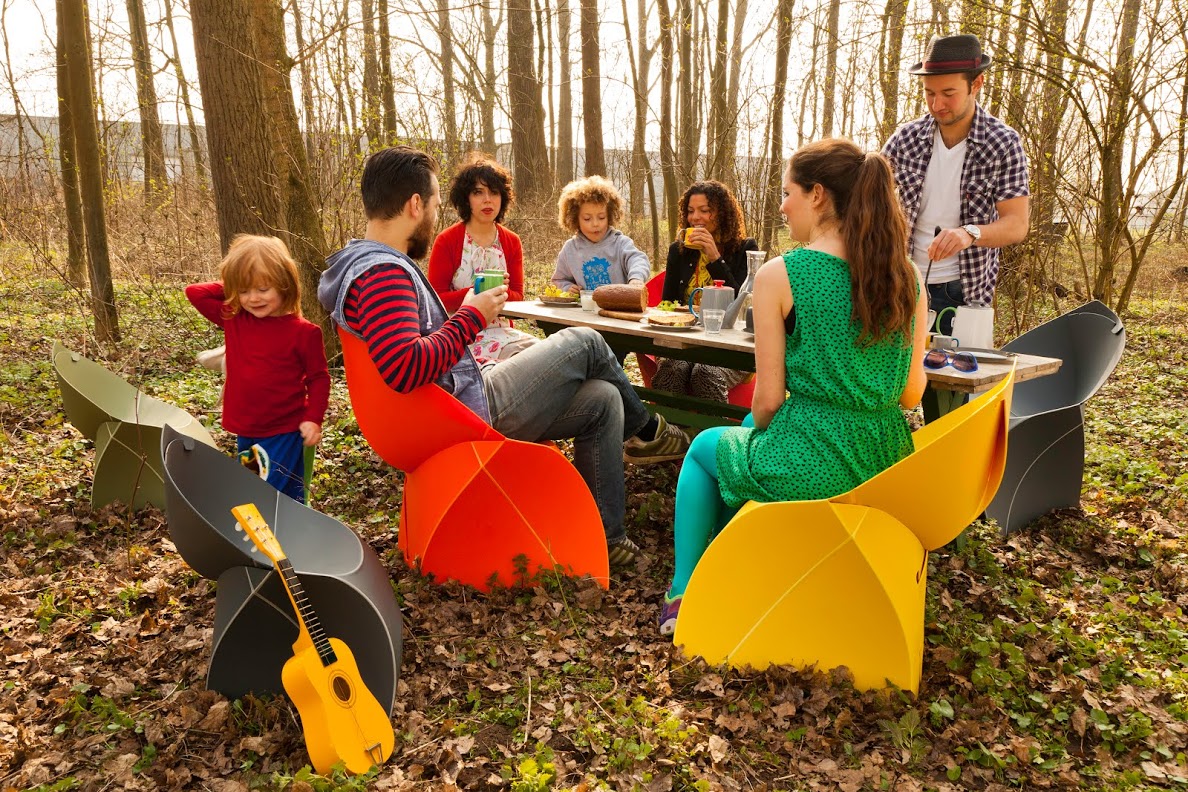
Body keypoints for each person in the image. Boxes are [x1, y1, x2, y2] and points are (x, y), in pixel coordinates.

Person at [318, 146, 691, 568]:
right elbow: (405, 368)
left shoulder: (359, 264)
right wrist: (472, 316)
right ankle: (647, 430)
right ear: (414, 204)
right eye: (437, 205)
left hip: (451, 400)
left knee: (604, 398)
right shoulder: (383, 273)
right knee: (585, 341)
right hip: (463, 410)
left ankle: (606, 536)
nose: (437, 215)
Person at [659, 140, 929, 635]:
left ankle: (683, 591)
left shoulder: (781, 274)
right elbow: (912, 395)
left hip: (812, 461)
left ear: (818, 195)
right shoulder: (906, 276)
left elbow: (767, 402)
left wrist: (760, 428)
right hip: (885, 465)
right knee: (741, 437)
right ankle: (739, 565)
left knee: (703, 448)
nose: (782, 206)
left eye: (788, 193)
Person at [881, 33, 1030, 337]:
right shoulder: (905, 138)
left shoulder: (1003, 143)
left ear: (977, 84)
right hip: (899, 285)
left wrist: (968, 234)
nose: (937, 104)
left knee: (953, 384)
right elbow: (864, 198)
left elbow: (1017, 225)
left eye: (948, 93)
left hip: (963, 293)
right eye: (929, 93)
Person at [185, 235, 330, 503]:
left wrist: (313, 417)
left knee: (266, 494)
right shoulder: (235, 317)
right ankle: (275, 533)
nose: (253, 298)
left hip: (284, 430)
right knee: (260, 487)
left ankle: (280, 533)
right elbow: (195, 292)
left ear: (284, 284)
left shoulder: (304, 333)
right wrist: (237, 280)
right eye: (244, 290)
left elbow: (319, 378)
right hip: (247, 428)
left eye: (262, 289)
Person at [652, 180, 759, 402]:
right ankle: (672, 432)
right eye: (691, 211)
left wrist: (714, 257)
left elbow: (743, 304)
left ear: (722, 214)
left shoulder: (745, 248)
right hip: (684, 338)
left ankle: (712, 433)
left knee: (705, 373)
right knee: (672, 369)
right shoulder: (678, 251)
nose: (695, 217)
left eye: (705, 210)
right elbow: (667, 304)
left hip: (728, 343)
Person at [427, 152, 536, 366]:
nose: (487, 199)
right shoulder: (448, 240)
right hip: (459, 338)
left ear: (502, 198)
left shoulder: (511, 241)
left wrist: (502, 293)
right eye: (478, 192)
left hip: (504, 333)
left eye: (494, 192)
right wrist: (476, 295)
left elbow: (519, 296)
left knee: (542, 355)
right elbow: (436, 299)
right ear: (466, 198)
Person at [551, 176, 650, 292]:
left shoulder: (620, 243)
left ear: (609, 216)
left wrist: (636, 279)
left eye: (601, 217)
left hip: (619, 307)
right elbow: (559, 280)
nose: (595, 224)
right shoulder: (570, 249)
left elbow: (638, 260)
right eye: (587, 219)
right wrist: (566, 287)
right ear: (575, 219)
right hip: (583, 309)